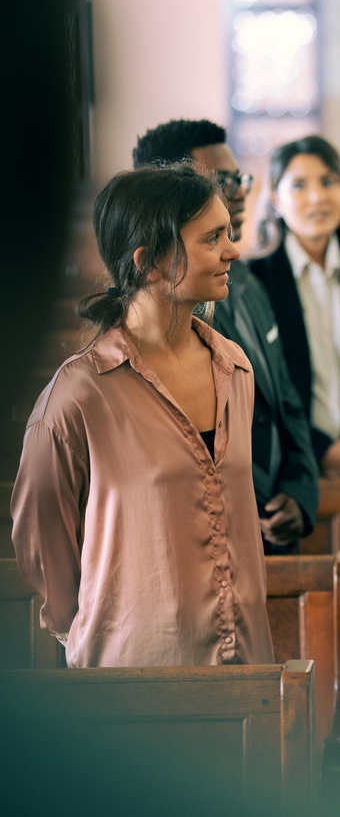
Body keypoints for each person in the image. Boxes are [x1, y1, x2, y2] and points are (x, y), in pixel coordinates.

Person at [10, 164, 274, 667]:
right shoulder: (78, 396)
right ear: (149, 262)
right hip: (134, 676)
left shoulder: (235, 368)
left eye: (230, 234)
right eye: (212, 237)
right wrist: (107, 623)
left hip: (245, 673)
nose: (233, 251)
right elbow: (43, 546)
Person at [133, 119, 319, 551]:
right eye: (223, 179)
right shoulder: (162, 314)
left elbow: (285, 401)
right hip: (207, 537)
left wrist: (298, 492)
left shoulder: (249, 281)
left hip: (271, 531)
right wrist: (247, 504)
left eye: (241, 178)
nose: (239, 191)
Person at [251, 134, 340, 478]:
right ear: (275, 198)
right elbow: (254, 389)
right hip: (284, 470)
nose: (317, 197)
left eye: (328, 182)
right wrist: (320, 450)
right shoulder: (253, 284)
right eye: (299, 185)